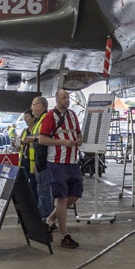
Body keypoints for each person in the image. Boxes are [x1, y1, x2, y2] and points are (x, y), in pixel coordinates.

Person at [38, 90, 84, 249]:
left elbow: (79, 133)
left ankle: (49, 221)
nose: (67, 100)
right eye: (63, 98)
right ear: (57, 100)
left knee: (74, 196)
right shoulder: (50, 116)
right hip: (57, 163)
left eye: (67, 98)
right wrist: (63, 142)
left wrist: (78, 139)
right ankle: (64, 235)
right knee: (62, 199)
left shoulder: (72, 115)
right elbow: (42, 139)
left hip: (72, 162)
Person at [25, 97, 53, 219]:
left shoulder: (45, 119)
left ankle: (46, 219)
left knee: (44, 192)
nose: (31, 107)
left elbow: (45, 139)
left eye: (33, 104)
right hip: (39, 161)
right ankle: (44, 217)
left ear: (40, 106)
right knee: (41, 191)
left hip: (45, 161)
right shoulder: (39, 120)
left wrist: (33, 139)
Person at [17, 108, 40, 211]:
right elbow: (19, 147)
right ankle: (26, 210)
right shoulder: (25, 131)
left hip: (34, 163)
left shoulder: (37, 131)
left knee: (34, 187)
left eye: (27, 117)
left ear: (33, 117)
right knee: (24, 187)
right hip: (24, 162)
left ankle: (35, 209)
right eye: (25, 117)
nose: (25, 119)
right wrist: (17, 144)